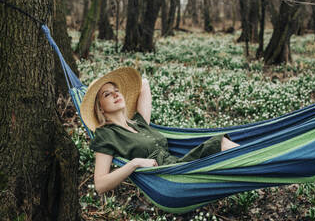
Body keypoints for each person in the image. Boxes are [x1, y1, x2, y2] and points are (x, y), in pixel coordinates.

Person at [80, 67, 240, 194]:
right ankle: (260, 168)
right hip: (169, 178)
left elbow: (144, 84)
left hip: (181, 167)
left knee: (222, 143)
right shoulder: (106, 135)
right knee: (220, 143)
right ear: (100, 107)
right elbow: (100, 185)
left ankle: (259, 166)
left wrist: (125, 92)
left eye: (117, 90)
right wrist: (134, 163)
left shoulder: (139, 123)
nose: (115, 94)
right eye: (107, 94)